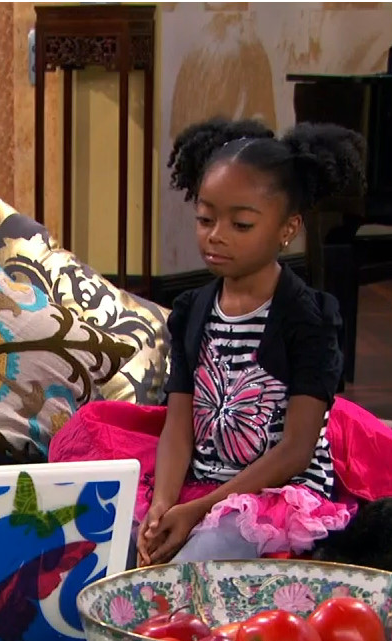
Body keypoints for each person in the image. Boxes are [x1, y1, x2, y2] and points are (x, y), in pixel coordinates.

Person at [134, 117, 365, 567]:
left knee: (189, 568)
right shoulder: (191, 311)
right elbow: (178, 425)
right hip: (199, 485)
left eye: (240, 224)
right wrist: (162, 505)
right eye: (205, 219)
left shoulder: (309, 318)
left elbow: (296, 450)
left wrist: (200, 511)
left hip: (273, 494)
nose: (215, 235)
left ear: (288, 228)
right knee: (119, 543)